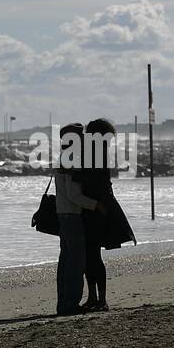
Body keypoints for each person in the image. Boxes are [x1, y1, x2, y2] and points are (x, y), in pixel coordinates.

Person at [76, 118, 135, 311]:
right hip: (96, 206)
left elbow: (92, 179)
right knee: (91, 255)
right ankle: (95, 297)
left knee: (92, 255)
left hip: (96, 208)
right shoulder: (98, 150)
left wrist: (70, 172)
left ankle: (99, 299)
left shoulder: (95, 151)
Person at [54, 123, 105, 316]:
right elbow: (74, 195)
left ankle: (63, 303)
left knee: (66, 263)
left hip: (63, 216)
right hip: (72, 216)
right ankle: (69, 305)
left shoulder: (63, 158)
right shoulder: (72, 160)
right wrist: (96, 205)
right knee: (75, 264)